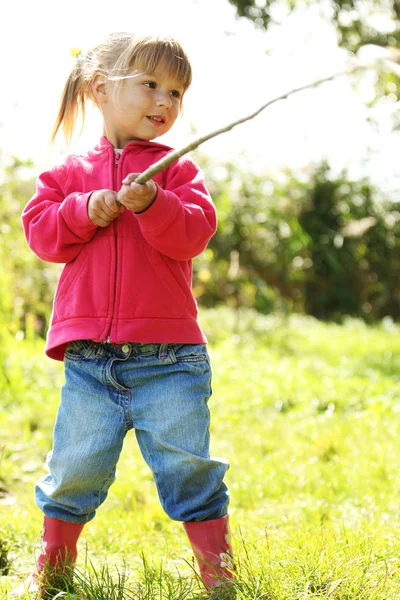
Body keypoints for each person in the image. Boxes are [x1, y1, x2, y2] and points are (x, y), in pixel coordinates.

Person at [21, 32, 233, 598]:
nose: (165, 102)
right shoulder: (69, 171)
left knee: (188, 466)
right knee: (74, 470)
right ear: (100, 88)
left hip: (170, 360)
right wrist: (85, 208)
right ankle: (56, 569)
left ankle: (219, 576)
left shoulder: (175, 171)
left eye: (177, 92)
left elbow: (194, 232)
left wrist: (156, 203)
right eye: (150, 85)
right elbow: (42, 233)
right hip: (90, 362)